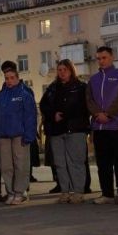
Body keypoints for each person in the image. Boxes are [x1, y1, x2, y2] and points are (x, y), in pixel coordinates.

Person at [85, 46, 118, 205]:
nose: (101, 61)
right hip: (99, 128)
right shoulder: (93, 79)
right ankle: (107, 193)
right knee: (103, 163)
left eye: (104, 57)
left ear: (112, 57)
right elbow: (89, 100)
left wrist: (108, 114)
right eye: (98, 58)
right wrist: (97, 114)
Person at [39, 60, 89, 204]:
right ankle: (65, 192)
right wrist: (52, 114)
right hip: (56, 130)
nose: (61, 72)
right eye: (59, 69)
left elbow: (83, 107)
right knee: (60, 163)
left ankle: (78, 192)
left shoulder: (80, 87)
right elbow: (43, 105)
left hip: (75, 129)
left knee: (76, 162)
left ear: (71, 70)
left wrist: (65, 115)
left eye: (64, 69)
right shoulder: (52, 88)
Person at [0, 66, 36, 205]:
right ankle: (10, 192)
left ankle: (20, 192)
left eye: (12, 78)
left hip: (19, 135)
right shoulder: (0, 96)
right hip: (3, 136)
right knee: (6, 166)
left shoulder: (24, 95)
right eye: (6, 78)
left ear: (17, 78)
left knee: (20, 165)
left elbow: (31, 116)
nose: (9, 81)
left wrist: (29, 134)